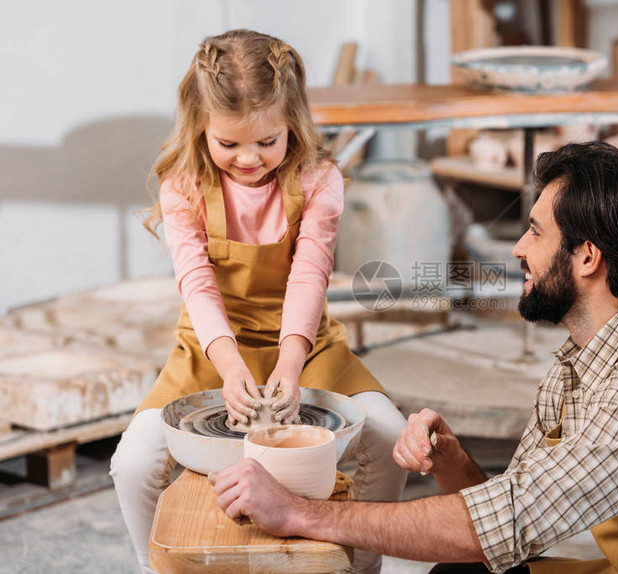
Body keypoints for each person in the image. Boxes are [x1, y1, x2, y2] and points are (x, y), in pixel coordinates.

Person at [211, 141, 618, 574]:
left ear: (588, 257)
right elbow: (509, 527)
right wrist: (453, 461)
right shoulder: (586, 359)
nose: (516, 248)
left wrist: (298, 512)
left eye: (536, 231)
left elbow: (500, 527)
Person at [110, 29, 407, 574]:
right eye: (229, 144)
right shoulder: (184, 186)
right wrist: (228, 365)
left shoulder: (319, 178)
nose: (250, 159)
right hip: (210, 346)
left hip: (307, 343)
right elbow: (196, 283)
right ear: (199, 127)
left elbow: (309, 275)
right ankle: (152, 567)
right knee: (131, 463)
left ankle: (362, 565)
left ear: (293, 123)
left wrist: (291, 364)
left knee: (388, 434)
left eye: (268, 141)